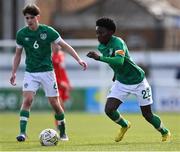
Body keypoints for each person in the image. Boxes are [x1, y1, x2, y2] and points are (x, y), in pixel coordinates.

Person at [9, 4, 87, 142]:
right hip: (30, 72)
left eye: (31, 17)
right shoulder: (21, 34)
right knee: (27, 100)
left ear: (37, 17)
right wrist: (14, 72)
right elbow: (17, 55)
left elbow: (65, 45)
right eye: (27, 18)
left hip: (47, 72)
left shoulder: (48, 31)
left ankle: (63, 131)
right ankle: (22, 133)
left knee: (55, 104)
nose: (29, 20)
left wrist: (79, 59)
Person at [87, 17, 171, 142]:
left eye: (101, 32)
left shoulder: (118, 42)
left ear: (111, 32)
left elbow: (120, 61)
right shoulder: (101, 46)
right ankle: (125, 125)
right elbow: (114, 63)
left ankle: (165, 132)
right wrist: (116, 73)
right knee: (109, 110)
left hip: (138, 81)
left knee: (147, 115)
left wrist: (99, 58)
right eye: (97, 33)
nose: (98, 36)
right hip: (121, 81)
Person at [52, 44, 71, 110]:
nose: (56, 46)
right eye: (54, 45)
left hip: (64, 83)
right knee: (58, 105)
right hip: (57, 83)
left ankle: (60, 120)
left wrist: (67, 83)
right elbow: (51, 73)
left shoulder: (62, 54)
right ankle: (59, 120)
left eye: (58, 45)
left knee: (62, 106)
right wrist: (59, 82)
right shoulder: (51, 57)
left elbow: (63, 71)